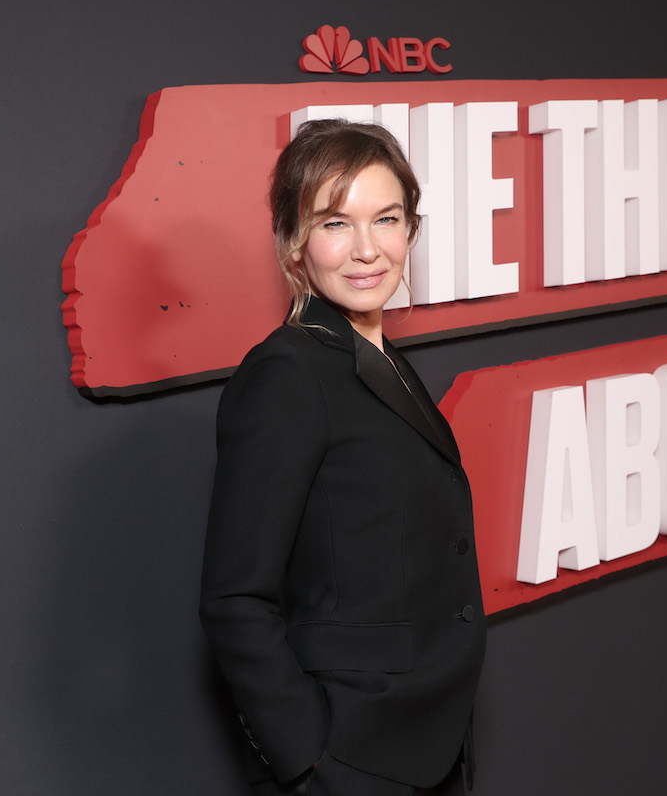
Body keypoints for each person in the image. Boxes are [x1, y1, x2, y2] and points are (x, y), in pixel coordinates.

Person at [199, 119, 486, 796]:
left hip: (427, 740)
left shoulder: (384, 360)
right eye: (335, 223)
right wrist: (309, 762)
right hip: (353, 756)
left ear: (410, 229)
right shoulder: (287, 374)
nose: (366, 249)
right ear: (294, 242)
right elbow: (235, 598)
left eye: (386, 219)